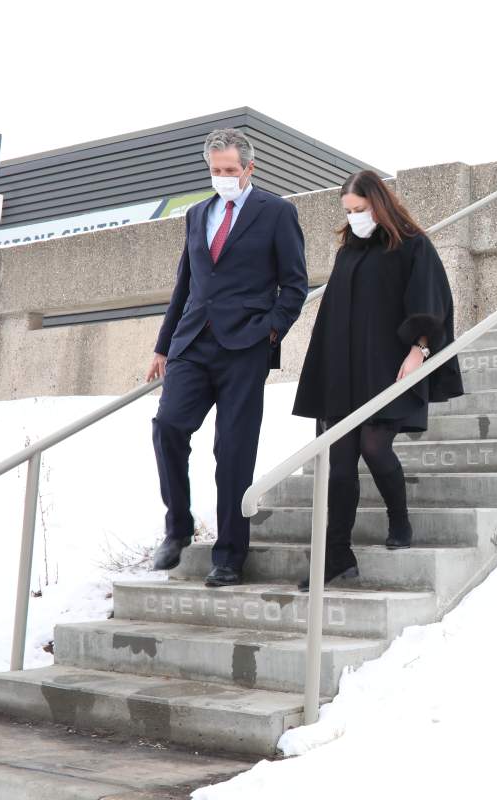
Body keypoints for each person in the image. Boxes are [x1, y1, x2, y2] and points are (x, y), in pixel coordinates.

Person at [148, 128, 308, 587]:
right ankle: (178, 527)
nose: (223, 178)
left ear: (249, 168)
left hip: (245, 348)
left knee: (234, 451)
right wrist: (163, 346)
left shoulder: (277, 212)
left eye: (231, 171)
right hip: (192, 344)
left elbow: (294, 284)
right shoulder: (198, 213)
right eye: (216, 171)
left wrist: (270, 331)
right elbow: (185, 285)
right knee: (168, 427)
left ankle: (229, 555)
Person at [291, 170, 464, 591]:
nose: (354, 219)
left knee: (375, 445)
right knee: (340, 466)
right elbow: (333, 313)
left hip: (389, 366)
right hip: (344, 372)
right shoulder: (347, 252)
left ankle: (399, 518)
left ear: (379, 203)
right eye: (348, 212)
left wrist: (419, 350)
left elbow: (431, 300)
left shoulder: (412, 247)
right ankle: (336, 556)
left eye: (361, 210)